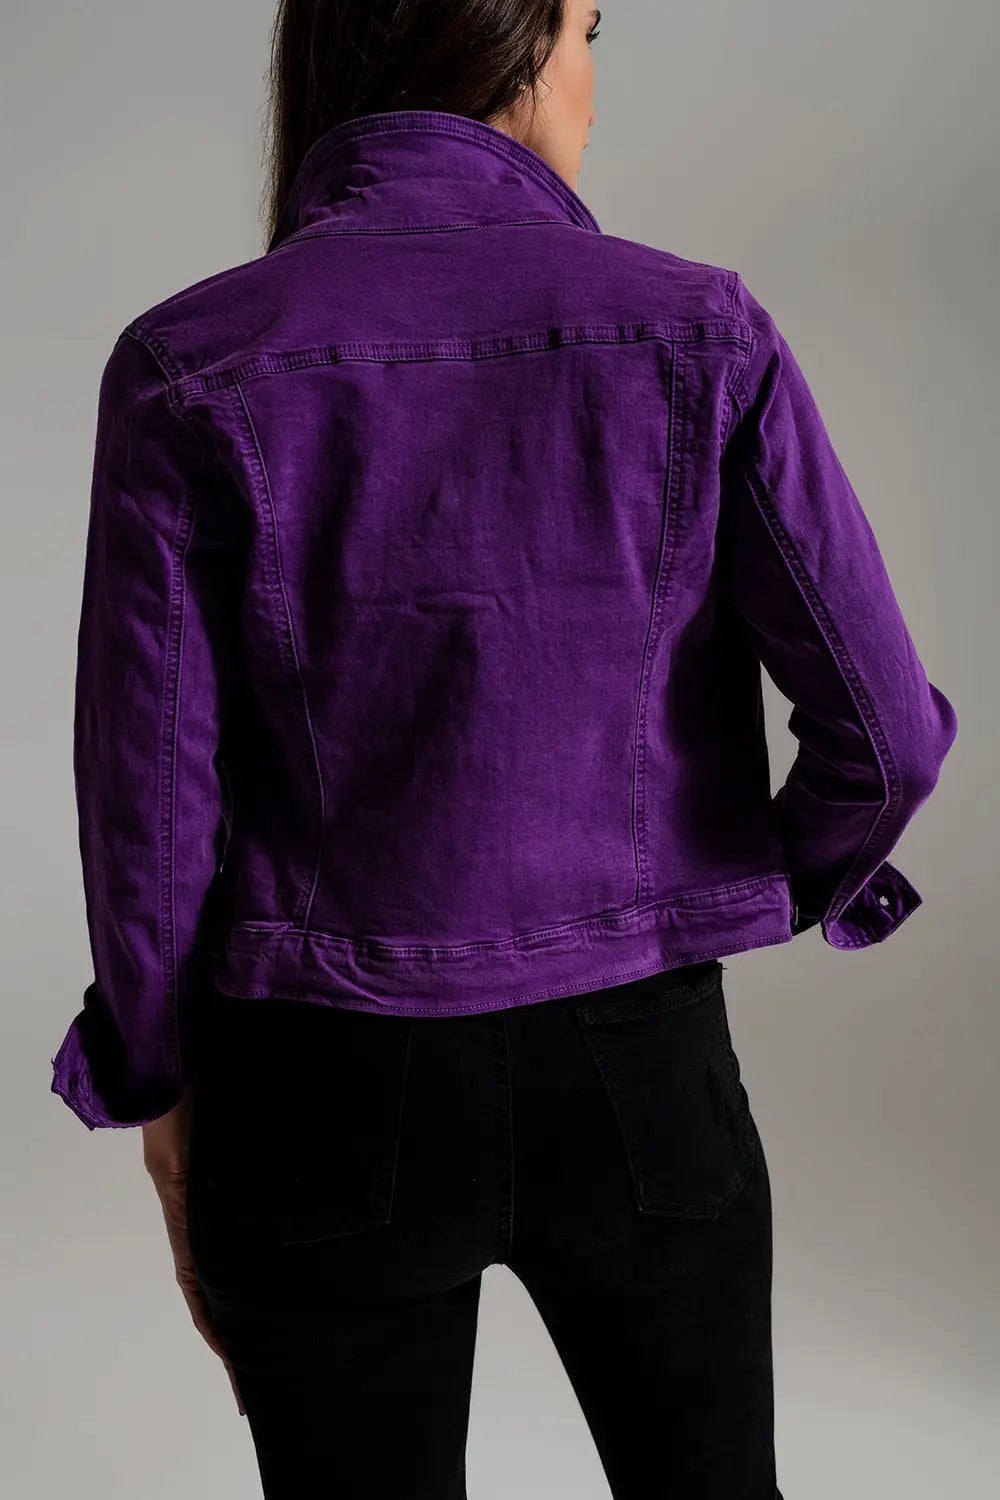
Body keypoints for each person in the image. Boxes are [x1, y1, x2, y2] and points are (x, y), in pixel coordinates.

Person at [49, 1, 958, 1495]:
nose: (595, 82)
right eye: (590, 27)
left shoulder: (188, 362)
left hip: (317, 1085)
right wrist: (727, 895)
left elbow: (148, 808)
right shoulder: (700, 327)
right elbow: (888, 737)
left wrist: (158, 1083)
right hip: (639, 1063)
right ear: (517, 42)